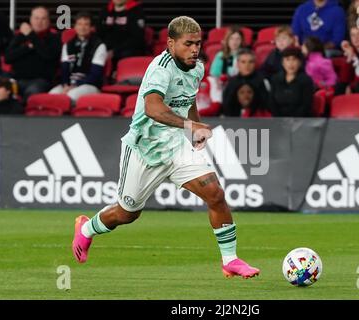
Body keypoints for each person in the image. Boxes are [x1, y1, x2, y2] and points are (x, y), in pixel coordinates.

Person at [72, 16, 260, 279]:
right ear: (171, 44)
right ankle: (87, 229)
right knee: (126, 214)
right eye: (188, 44)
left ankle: (230, 260)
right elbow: (153, 108)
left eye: (198, 43)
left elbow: (189, 98)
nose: (195, 49)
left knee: (215, 194)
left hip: (176, 147)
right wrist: (190, 126)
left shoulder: (197, 67)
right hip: (144, 150)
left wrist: (194, 125)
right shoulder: (160, 68)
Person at [4, 6, 61, 103]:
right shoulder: (21, 36)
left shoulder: (54, 38)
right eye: (36, 18)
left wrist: (31, 36)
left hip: (40, 81)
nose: (39, 22)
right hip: (17, 79)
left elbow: (47, 55)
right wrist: (28, 47)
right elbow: (8, 58)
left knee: (32, 93)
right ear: (30, 19)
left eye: (43, 18)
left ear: (48, 21)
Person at [49, 12, 107, 103]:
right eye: (79, 24)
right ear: (75, 26)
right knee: (52, 95)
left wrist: (75, 86)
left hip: (90, 85)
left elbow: (95, 75)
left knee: (70, 96)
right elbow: (65, 69)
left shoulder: (99, 46)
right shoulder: (68, 45)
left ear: (91, 28)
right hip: (69, 85)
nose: (82, 28)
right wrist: (65, 85)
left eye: (86, 24)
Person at [98, 0, 147, 66]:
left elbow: (137, 39)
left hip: (127, 52)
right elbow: (99, 33)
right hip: (106, 50)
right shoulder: (105, 10)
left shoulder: (136, 11)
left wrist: (114, 52)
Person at [222, 48, 270, 116]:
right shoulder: (231, 82)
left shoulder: (262, 81)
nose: (247, 65)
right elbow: (226, 107)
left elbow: (266, 106)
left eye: (250, 62)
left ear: (255, 63)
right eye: (243, 62)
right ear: (237, 64)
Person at [269, 47, 314, 117]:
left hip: (300, 120)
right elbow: (272, 102)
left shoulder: (306, 80)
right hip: (278, 120)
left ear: (300, 63)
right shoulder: (275, 79)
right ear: (283, 63)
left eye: (294, 59)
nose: (291, 63)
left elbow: (306, 106)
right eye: (287, 60)